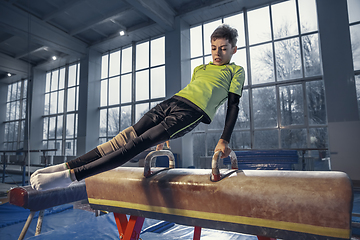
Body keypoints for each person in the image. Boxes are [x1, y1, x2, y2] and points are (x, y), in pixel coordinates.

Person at [30, 24, 245, 191]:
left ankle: (72, 177)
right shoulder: (200, 67)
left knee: (137, 145)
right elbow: (192, 88)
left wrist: (224, 139)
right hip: (171, 103)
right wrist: (165, 133)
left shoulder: (236, 71)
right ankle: (67, 166)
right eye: (214, 48)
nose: (217, 53)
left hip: (190, 113)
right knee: (123, 138)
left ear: (233, 49)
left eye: (223, 49)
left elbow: (232, 106)